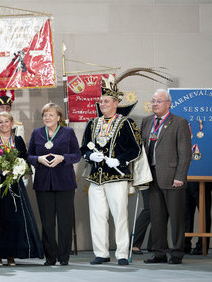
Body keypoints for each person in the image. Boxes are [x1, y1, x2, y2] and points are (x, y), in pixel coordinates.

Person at [80, 75, 142, 266]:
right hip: (96, 178)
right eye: (101, 101)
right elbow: (84, 148)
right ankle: (101, 253)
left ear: (116, 103)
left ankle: (122, 254)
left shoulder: (126, 123)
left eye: (106, 101)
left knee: (120, 216)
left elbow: (136, 148)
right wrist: (91, 156)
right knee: (97, 216)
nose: (102, 104)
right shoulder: (92, 123)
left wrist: (119, 160)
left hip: (117, 177)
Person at [0, 111, 43, 266]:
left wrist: (18, 169)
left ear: (12, 123)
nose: (3, 125)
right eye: (0, 122)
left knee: (14, 220)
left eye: (6, 122)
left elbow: (24, 159)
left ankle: (11, 255)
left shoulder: (17, 140)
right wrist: (0, 170)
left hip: (15, 185)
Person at [142, 89, 191, 265]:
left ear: (168, 104)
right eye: (153, 101)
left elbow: (185, 154)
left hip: (172, 178)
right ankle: (159, 253)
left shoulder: (179, 122)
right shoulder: (147, 121)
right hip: (152, 176)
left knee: (176, 217)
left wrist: (180, 176)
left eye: (159, 101)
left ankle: (177, 253)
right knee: (157, 217)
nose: (155, 104)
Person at [28, 103, 81, 266]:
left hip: (65, 182)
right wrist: (38, 159)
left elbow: (77, 155)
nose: (47, 118)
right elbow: (28, 155)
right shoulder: (37, 133)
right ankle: (50, 257)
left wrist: (63, 158)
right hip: (43, 184)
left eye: (51, 115)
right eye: (45, 115)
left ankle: (64, 257)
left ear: (59, 117)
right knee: (47, 223)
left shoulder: (68, 132)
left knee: (65, 222)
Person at [185, 181, 212, 255]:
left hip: (202, 181)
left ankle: (202, 246)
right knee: (185, 215)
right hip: (185, 181)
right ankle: (185, 244)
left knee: (204, 215)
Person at [131, 188, 153, 254]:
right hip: (148, 180)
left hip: (162, 181)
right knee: (149, 209)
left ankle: (154, 244)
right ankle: (134, 243)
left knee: (160, 210)